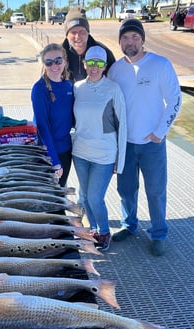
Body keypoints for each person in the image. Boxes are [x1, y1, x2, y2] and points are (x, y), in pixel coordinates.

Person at [107, 19, 182, 256]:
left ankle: (159, 232)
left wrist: (160, 132)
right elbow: (108, 105)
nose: (130, 42)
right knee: (126, 189)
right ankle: (130, 225)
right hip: (126, 143)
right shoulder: (116, 69)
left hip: (152, 144)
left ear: (143, 40)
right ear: (120, 42)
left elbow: (175, 100)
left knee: (155, 190)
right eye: (126, 38)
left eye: (135, 37)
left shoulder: (160, 64)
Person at [72, 46, 127, 251]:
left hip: (104, 154)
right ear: (85, 63)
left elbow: (123, 126)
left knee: (95, 197)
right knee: (85, 196)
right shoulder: (77, 87)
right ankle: (92, 229)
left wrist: (119, 162)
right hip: (80, 152)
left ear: (105, 66)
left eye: (99, 63)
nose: (94, 67)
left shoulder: (113, 89)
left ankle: (104, 231)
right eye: (91, 62)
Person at [31, 43, 74, 187]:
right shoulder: (40, 89)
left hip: (66, 149)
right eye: (48, 62)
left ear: (65, 61)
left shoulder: (69, 86)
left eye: (58, 61)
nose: (54, 65)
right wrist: (54, 160)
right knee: (51, 200)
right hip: (49, 152)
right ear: (43, 64)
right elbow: (42, 126)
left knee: (60, 193)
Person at [62, 7, 116, 83]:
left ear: (88, 32)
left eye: (82, 32)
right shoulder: (57, 54)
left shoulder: (103, 52)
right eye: (73, 32)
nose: (77, 36)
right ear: (67, 35)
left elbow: (114, 79)